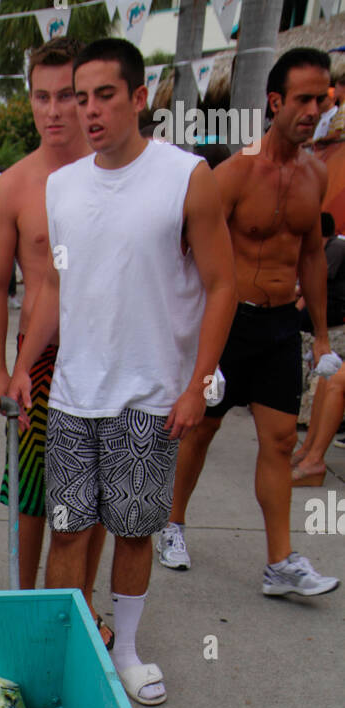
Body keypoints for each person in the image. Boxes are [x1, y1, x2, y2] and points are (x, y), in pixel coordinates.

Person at [8, 37, 237, 706]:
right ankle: (60, 653)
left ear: (139, 97)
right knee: (69, 527)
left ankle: (127, 651)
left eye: (104, 95)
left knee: (136, 528)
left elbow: (223, 285)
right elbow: (52, 286)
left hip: (152, 393)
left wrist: (199, 383)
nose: (89, 110)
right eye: (80, 97)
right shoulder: (62, 187)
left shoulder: (186, 176)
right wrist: (24, 365)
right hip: (75, 392)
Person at [160, 47, 340, 598]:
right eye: (304, 99)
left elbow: (311, 254)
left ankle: (279, 561)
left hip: (282, 325)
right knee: (203, 429)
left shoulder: (316, 173)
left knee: (282, 440)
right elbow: (188, 248)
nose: (315, 109)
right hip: (229, 323)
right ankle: (173, 523)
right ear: (275, 101)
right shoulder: (235, 173)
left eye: (323, 98)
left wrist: (322, 338)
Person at [0, 35, 109, 637]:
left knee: (100, 496)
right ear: (29, 100)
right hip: (41, 363)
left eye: (67, 96)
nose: (55, 110)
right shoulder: (13, 186)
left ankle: (79, 612)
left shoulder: (119, 174)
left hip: (109, 355)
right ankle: (21, 607)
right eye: (42, 97)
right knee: (33, 495)